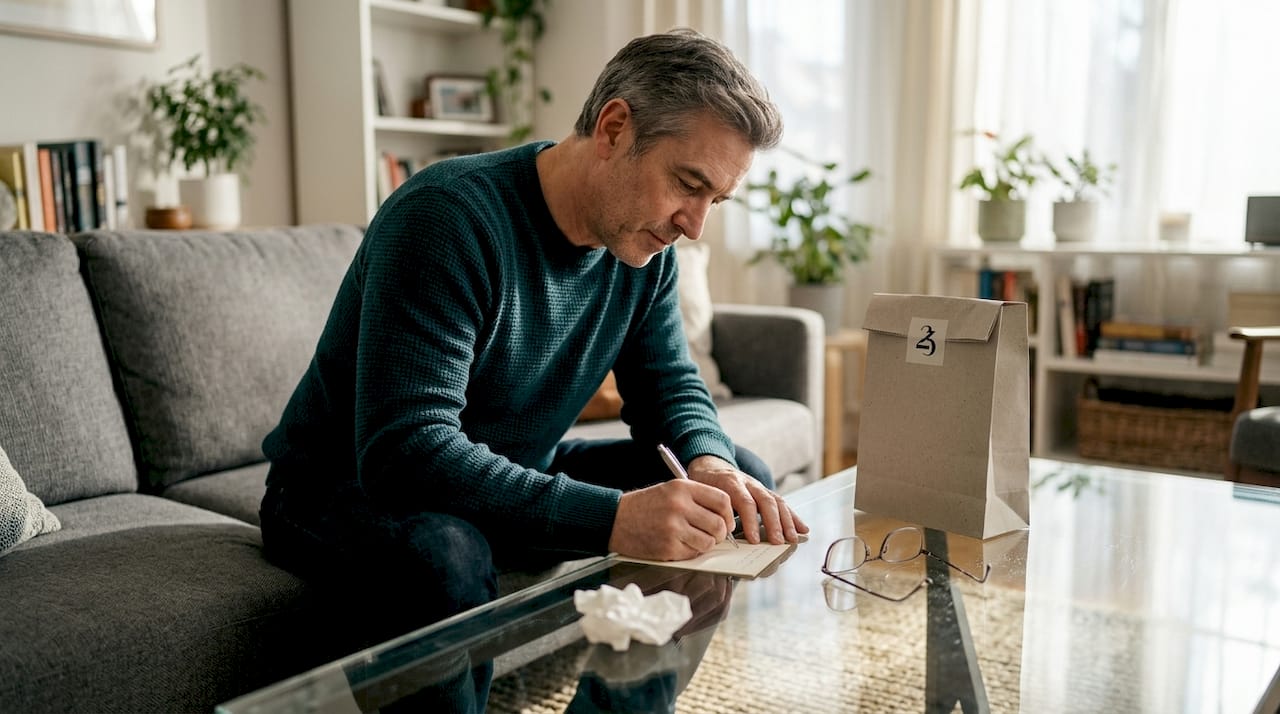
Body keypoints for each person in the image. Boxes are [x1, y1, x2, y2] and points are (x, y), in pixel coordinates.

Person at [258, 27, 809, 709]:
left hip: (509, 461)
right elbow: (406, 451)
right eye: (687, 184)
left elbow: (670, 384)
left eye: (713, 201)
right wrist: (612, 518)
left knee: (733, 483)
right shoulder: (446, 217)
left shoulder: (645, 254)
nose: (693, 225)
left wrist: (709, 461)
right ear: (614, 127)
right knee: (447, 554)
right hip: (342, 485)